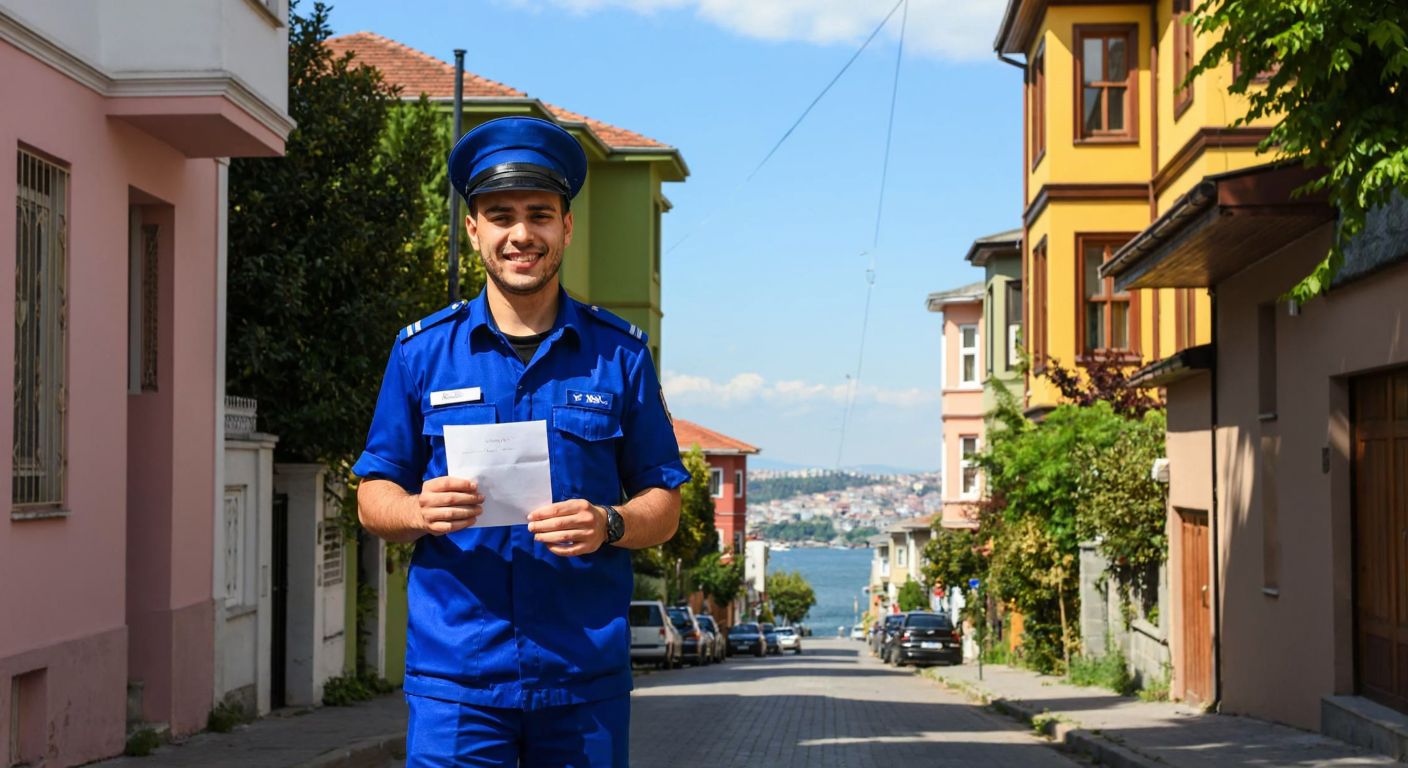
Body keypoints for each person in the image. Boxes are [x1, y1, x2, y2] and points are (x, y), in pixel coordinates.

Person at [353, 116, 687, 767]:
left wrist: (610, 522)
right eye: (499, 214)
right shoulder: (422, 353)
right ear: (473, 229)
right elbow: (373, 495)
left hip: (582, 682)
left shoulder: (619, 356)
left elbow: (665, 502)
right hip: (458, 684)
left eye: (540, 213)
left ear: (566, 225)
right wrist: (415, 511)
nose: (520, 234)